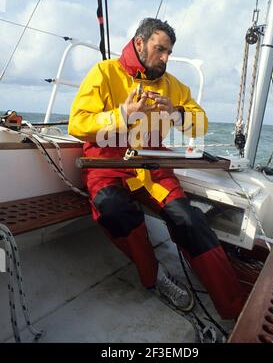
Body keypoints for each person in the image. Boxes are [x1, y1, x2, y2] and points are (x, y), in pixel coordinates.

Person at [68, 18, 245, 319]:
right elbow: (78, 123)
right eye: (159, 49)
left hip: (153, 167)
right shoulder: (104, 73)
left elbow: (201, 125)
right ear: (139, 43)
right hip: (107, 162)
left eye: (168, 52)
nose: (164, 58)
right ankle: (154, 274)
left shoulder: (172, 85)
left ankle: (235, 309)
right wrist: (121, 113)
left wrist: (175, 113)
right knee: (110, 208)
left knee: (189, 219)